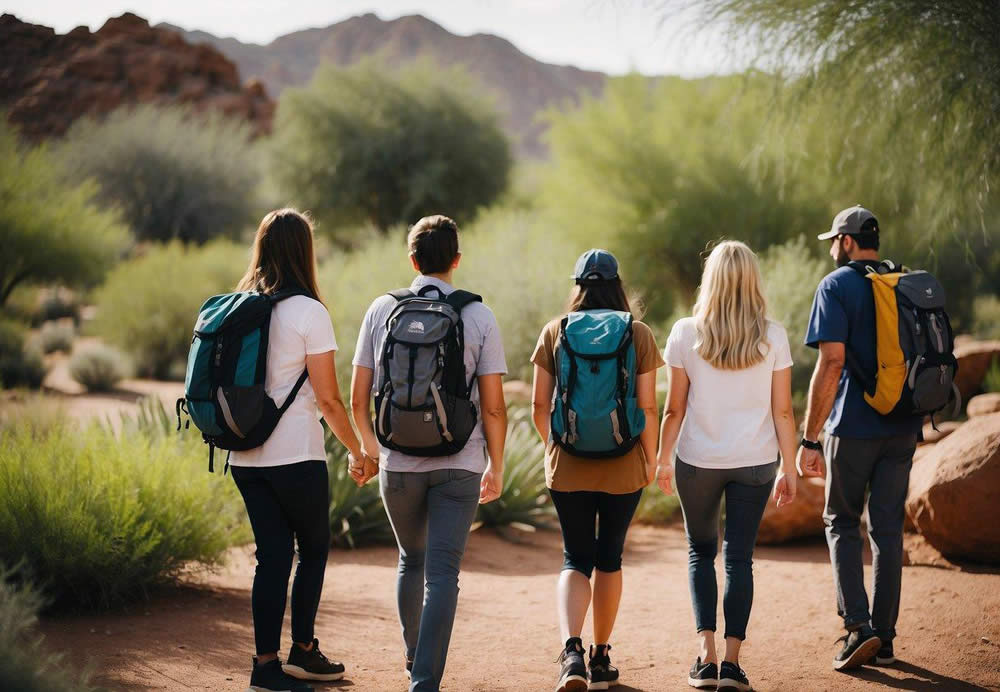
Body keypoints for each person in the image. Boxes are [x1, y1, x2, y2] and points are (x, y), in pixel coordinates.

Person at [350, 214, 507, 692]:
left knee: (409, 560)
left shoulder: (382, 309)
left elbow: (358, 398)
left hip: (397, 464)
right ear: (456, 260)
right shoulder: (479, 316)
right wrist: (496, 466)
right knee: (443, 574)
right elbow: (495, 408)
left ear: (412, 259)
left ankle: (413, 657)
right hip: (460, 463)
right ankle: (425, 681)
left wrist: (369, 451)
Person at [230, 209, 370, 692]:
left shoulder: (240, 305)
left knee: (271, 557)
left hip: (243, 454)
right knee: (312, 549)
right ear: (304, 251)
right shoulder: (309, 311)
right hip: (294, 453)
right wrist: (359, 451)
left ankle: (266, 666)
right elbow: (329, 399)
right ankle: (303, 652)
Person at [655, 241, 798, 692]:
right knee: (739, 558)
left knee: (701, 552)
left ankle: (706, 658)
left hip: (697, 461)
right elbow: (783, 412)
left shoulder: (684, 332)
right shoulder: (773, 336)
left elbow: (673, 410)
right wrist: (789, 468)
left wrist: (662, 459)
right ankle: (733, 666)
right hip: (756, 463)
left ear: (710, 280)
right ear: (752, 280)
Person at [530, 249, 664, 692]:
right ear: (617, 285)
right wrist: (649, 459)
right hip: (624, 459)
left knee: (574, 557)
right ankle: (602, 657)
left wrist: (555, 446)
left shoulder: (556, 330)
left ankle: (572, 653)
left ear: (578, 287)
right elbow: (648, 405)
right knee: (610, 558)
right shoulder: (638, 333)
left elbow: (538, 405)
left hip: (568, 461)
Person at [800, 206, 923, 670]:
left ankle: (857, 628)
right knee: (887, 531)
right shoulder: (904, 282)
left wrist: (810, 439)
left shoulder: (836, 285)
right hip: (903, 425)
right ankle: (885, 639)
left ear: (848, 241)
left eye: (834, 240)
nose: (832, 248)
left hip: (853, 426)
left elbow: (831, 363)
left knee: (841, 522)